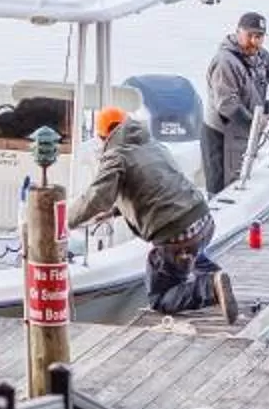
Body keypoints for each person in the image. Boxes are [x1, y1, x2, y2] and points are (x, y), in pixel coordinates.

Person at [74, 105, 232, 319]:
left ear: (103, 137)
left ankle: (211, 287)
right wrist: (114, 212)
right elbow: (155, 190)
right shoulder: (152, 144)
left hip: (176, 236)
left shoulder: (116, 156)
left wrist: (64, 221)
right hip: (203, 220)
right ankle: (216, 276)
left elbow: (94, 199)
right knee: (191, 254)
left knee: (160, 297)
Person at [201, 11, 269, 196]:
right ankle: (214, 207)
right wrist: (255, 123)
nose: (254, 41)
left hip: (245, 131)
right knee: (221, 189)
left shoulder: (260, 56)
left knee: (239, 178)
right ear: (238, 32)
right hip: (221, 135)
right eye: (250, 35)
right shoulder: (224, 62)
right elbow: (227, 105)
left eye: (259, 36)